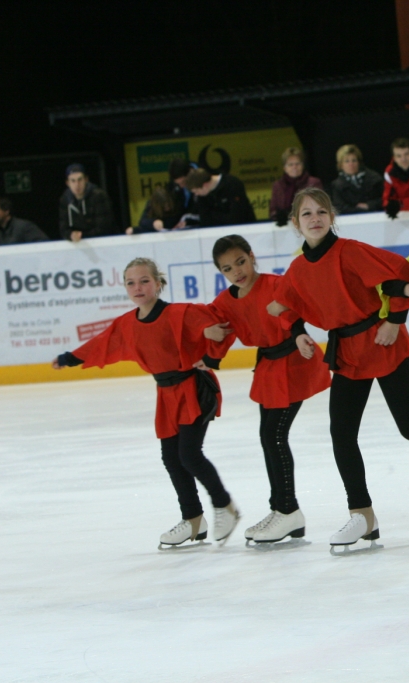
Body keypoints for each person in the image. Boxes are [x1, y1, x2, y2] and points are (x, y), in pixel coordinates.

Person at [266, 187, 409, 550]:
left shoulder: (349, 251)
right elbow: (285, 303)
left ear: (332, 216)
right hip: (348, 354)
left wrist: (395, 320)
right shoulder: (298, 269)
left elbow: (399, 272)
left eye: (321, 211)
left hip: (382, 341)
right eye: (307, 214)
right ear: (295, 223)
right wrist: (298, 332)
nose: (315, 219)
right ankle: (362, 516)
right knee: (342, 433)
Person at [51, 258, 241, 548]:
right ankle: (193, 519)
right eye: (131, 283)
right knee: (171, 458)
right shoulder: (127, 324)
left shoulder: (180, 313)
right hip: (166, 394)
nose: (137, 287)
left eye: (144, 281)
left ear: (158, 283)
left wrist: (208, 343)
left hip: (194, 388)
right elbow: (102, 344)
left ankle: (224, 505)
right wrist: (69, 358)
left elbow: (218, 326)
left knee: (189, 455)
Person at [206, 235, 332, 544]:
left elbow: (295, 314)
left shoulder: (276, 285)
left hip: (295, 361)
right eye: (227, 268)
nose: (237, 271)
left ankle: (288, 510)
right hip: (268, 368)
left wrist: (299, 334)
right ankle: (282, 509)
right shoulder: (225, 302)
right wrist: (206, 333)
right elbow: (206, 322)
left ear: (251, 257)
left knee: (274, 435)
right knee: (269, 437)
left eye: (240, 262)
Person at [59, 164, 115, 241]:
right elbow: (63, 228)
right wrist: (70, 235)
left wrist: (81, 236)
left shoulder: (99, 196)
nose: (77, 185)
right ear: (68, 183)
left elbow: (104, 228)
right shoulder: (65, 200)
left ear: (86, 180)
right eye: (73, 181)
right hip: (78, 242)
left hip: (103, 241)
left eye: (80, 180)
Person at [269, 147, 322, 226]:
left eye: (297, 164)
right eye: (290, 164)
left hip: (310, 225)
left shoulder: (313, 183)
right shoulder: (278, 186)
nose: (294, 167)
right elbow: (272, 211)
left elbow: (319, 207)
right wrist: (279, 216)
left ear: (303, 165)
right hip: (284, 228)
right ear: (285, 168)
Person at [185, 168, 256, 227]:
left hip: (245, 228)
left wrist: (213, 216)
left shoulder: (233, 184)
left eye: (196, 191)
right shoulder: (202, 195)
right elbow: (205, 220)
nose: (196, 194)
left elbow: (236, 217)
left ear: (205, 185)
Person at [330, 144, 384, 215]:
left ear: (359, 162)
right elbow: (339, 207)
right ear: (341, 165)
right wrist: (360, 210)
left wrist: (369, 205)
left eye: (354, 160)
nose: (351, 164)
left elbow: (385, 199)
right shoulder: (337, 186)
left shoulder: (374, 179)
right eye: (347, 161)